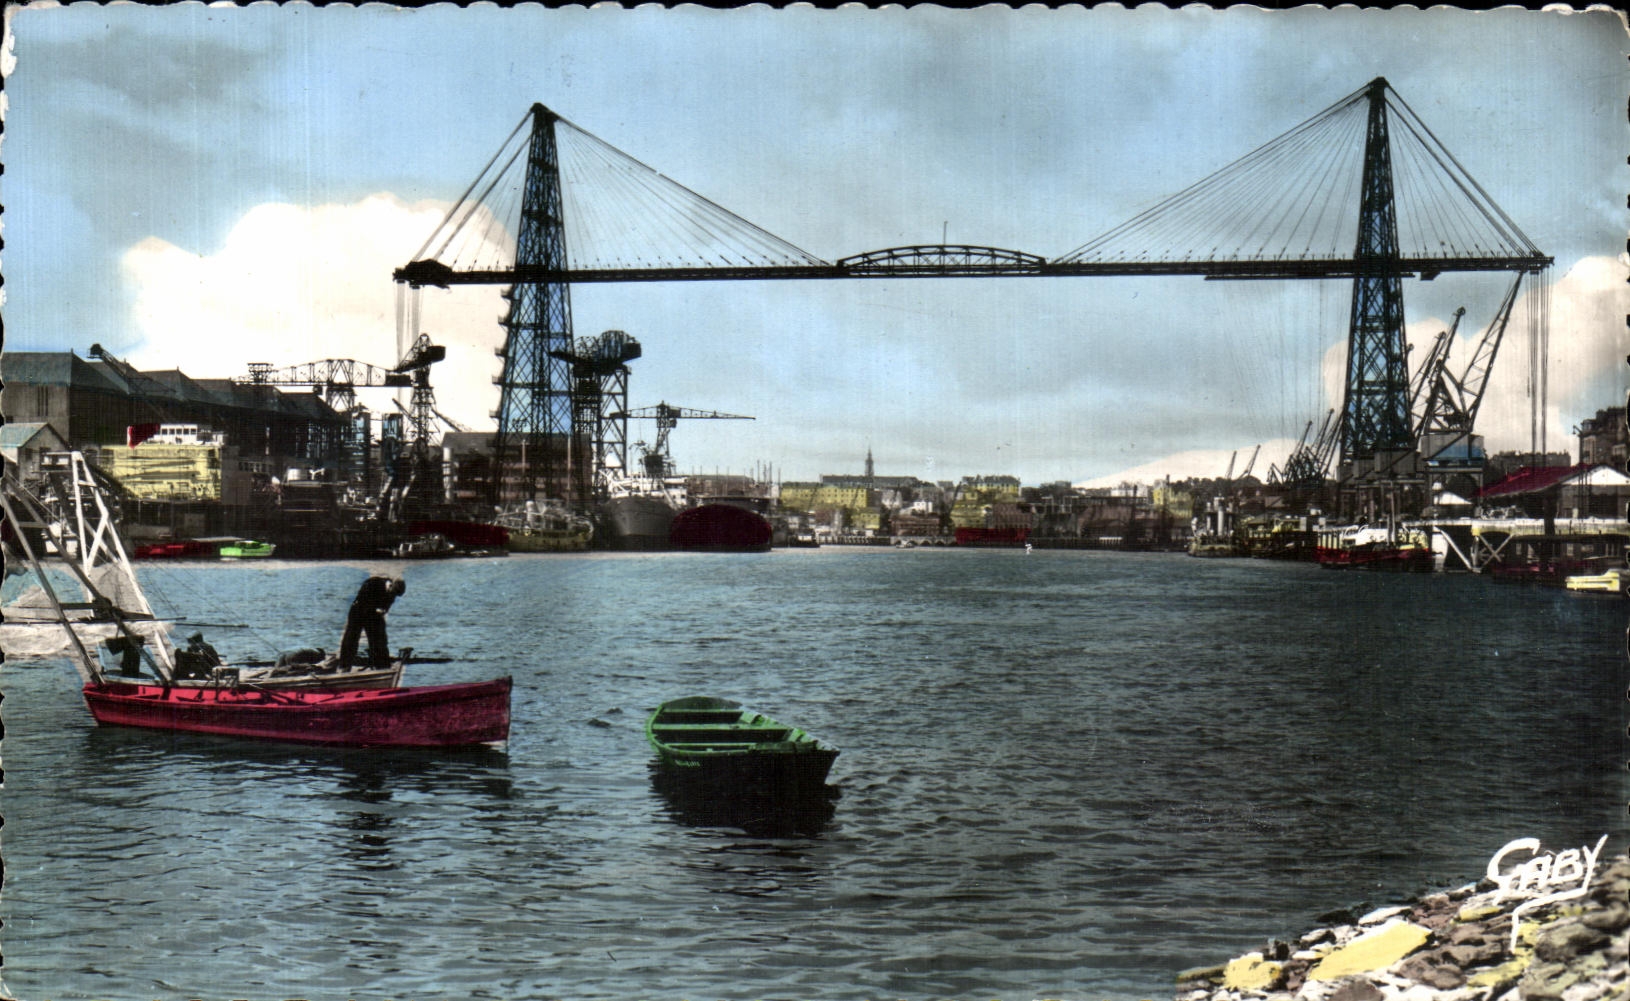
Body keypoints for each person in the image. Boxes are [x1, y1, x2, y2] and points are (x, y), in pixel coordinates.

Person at [338, 575, 406, 670]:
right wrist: (374, 609)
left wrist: (382, 610)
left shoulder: (393, 593)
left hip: (374, 614)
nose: (393, 596)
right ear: (390, 586)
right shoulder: (373, 583)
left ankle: (382, 666)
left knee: (380, 638)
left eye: (395, 595)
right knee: (351, 638)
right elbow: (363, 599)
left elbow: (387, 605)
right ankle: (344, 665)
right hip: (358, 610)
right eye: (393, 593)